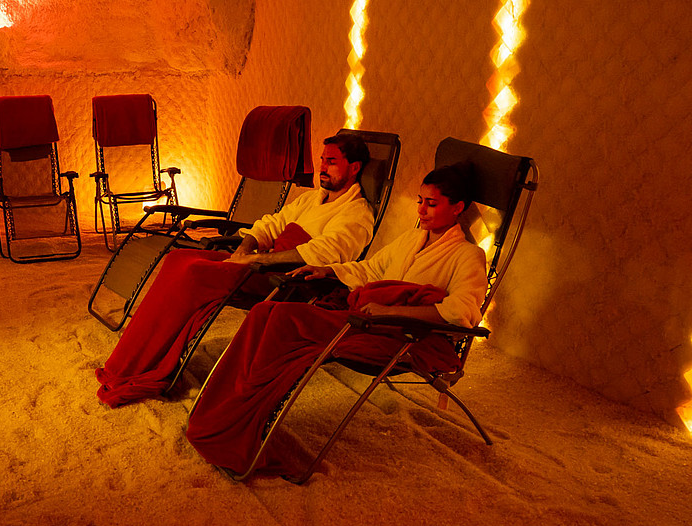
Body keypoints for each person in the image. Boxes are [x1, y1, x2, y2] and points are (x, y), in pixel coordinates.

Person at [185, 162, 488, 476]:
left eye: (432, 204)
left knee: (284, 323)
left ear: (458, 208)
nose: (422, 211)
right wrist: (327, 270)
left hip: (403, 336)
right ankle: (223, 415)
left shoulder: (468, 255)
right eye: (420, 202)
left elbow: (462, 311)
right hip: (367, 320)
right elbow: (370, 270)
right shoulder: (411, 240)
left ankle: (236, 428)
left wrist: (390, 311)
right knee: (264, 311)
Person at [96, 132, 378, 407]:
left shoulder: (357, 213)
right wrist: (245, 248)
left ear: (354, 168)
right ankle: (133, 359)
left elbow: (322, 255)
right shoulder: (312, 199)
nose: (322, 167)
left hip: (285, 281)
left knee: (196, 275)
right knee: (178, 258)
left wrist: (255, 261)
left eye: (331, 161)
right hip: (258, 263)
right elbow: (271, 223)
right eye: (321, 159)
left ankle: (142, 367)